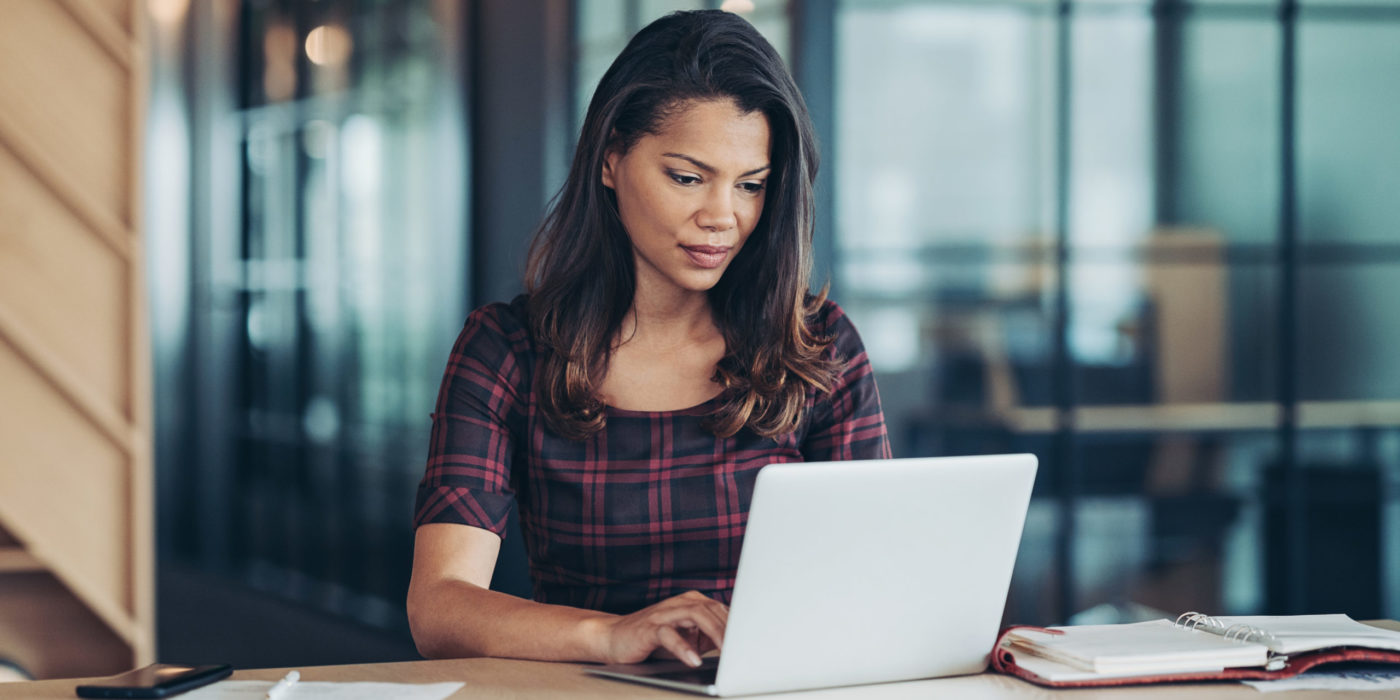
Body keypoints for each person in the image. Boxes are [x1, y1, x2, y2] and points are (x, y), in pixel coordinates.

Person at [407, 10, 890, 668]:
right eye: (687, 177)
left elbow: (880, 581)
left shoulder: (818, 345)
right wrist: (612, 636)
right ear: (611, 158)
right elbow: (439, 606)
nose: (721, 216)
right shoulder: (507, 349)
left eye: (750, 186)